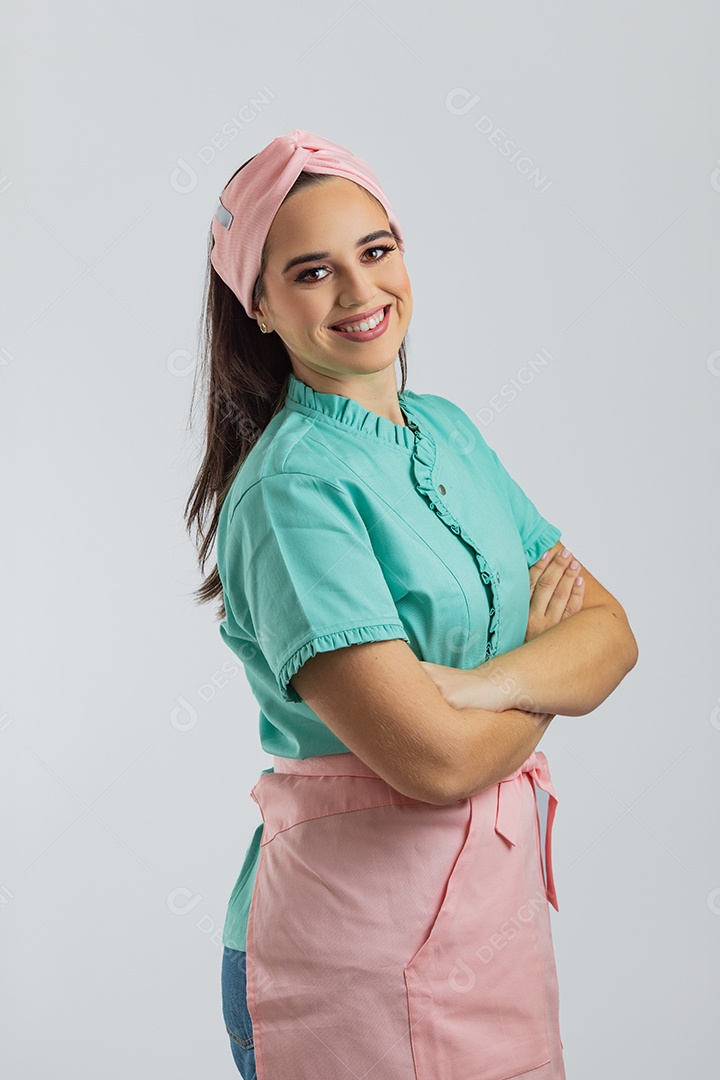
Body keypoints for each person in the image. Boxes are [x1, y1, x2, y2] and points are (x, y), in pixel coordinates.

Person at [184, 130, 638, 1080]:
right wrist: (547, 675)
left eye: (375, 251)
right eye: (312, 272)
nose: (359, 294)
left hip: (491, 930)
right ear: (258, 307)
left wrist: (476, 690)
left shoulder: (452, 432)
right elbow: (429, 762)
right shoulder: (291, 495)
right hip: (349, 958)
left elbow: (613, 635)